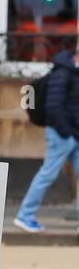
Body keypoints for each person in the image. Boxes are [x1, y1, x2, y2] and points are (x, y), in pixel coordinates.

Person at [14, 48, 79, 233]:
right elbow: (53, 108)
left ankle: (25, 215)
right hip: (62, 135)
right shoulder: (63, 73)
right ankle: (25, 216)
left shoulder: (72, 72)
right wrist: (67, 132)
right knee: (48, 174)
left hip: (72, 134)